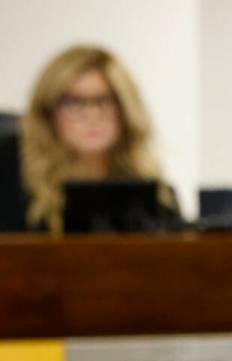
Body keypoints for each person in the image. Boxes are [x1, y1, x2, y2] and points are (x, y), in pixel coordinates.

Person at [10, 45, 178, 234]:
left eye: (104, 100)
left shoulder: (157, 196)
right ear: (48, 114)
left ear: (127, 109)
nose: (92, 115)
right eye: (73, 102)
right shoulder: (16, 192)